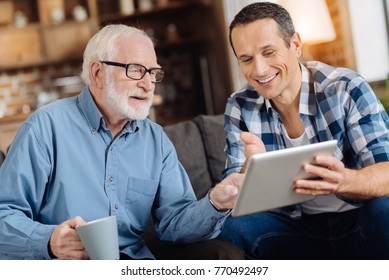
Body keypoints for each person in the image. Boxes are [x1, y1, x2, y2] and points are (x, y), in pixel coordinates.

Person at [0, 24, 244, 260]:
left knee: (222, 255)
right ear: (97, 73)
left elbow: (175, 224)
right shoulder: (45, 127)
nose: (148, 85)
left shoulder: (155, 140)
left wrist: (216, 202)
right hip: (68, 266)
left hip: (132, 265)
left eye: (153, 73)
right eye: (136, 70)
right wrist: (50, 240)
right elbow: (4, 215)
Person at [219, 2, 389, 259]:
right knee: (233, 228)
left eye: (269, 52)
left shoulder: (345, 88)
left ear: (295, 45)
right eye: (246, 59)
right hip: (296, 230)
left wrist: (344, 181)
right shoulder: (240, 106)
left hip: (359, 221)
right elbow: (232, 199)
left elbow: (386, 170)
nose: (260, 70)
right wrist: (248, 173)